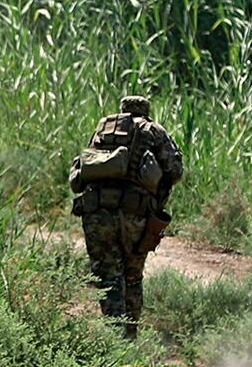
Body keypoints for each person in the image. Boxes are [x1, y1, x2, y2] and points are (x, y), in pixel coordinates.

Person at [70, 95, 183, 334]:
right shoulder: (153, 130)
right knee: (132, 277)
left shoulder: (104, 128)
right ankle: (128, 339)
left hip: (96, 215)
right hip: (135, 216)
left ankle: (114, 337)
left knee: (108, 277)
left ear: (121, 110)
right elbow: (175, 170)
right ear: (146, 110)